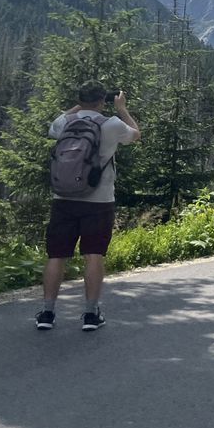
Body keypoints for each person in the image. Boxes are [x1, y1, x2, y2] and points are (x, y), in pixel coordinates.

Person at [37, 81, 141, 331]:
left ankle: (47, 314)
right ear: (102, 101)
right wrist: (122, 108)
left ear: (80, 99)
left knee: (56, 255)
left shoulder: (65, 122)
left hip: (63, 198)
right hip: (99, 200)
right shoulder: (112, 124)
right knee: (94, 255)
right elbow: (136, 135)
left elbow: (54, 127)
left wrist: (80, 105)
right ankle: (91, 315)